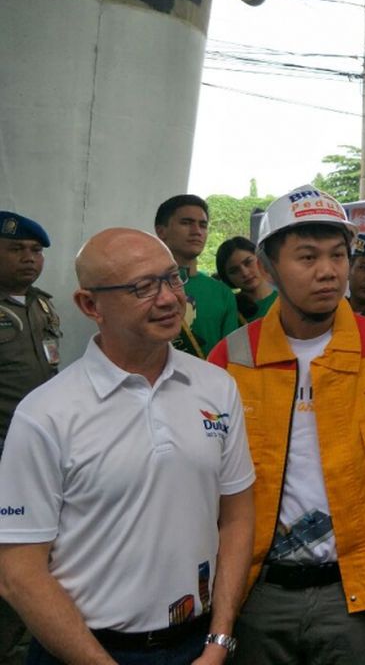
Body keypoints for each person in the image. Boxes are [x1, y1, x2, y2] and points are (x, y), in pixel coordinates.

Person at [0, 228, 255, 665]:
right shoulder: (46, 414)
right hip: (82, 650)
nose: (169, 298)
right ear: (90, 305)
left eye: (172, 278)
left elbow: (236, 515)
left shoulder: (216, 387)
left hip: (197, 647)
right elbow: (18, 572)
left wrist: (220, 640)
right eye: (142, 287)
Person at [207, 185, 365, 665]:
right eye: (307, 257)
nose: (328, 271)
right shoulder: (231, 359)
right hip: (256, 593)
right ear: (266, 268)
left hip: (356, 594)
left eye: (338, 255)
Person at [0, 212, 60, 665]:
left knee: (35, 558)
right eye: (16, 249)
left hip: (40, 457)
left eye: (35, 252)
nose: (28, 259)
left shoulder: (41, 305)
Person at [155, 195, 238, 356]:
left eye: (203, 225)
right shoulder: (142, 286)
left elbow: (230, 356)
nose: (197, 231)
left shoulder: (222, 293)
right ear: (161, 231)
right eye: (186, 223)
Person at [215, 236, 277, 323]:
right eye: (234, 271)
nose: (245, 273)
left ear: (260, 259)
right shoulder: (229, 310)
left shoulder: (286, 301)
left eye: (248, 262)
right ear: (227, 278)